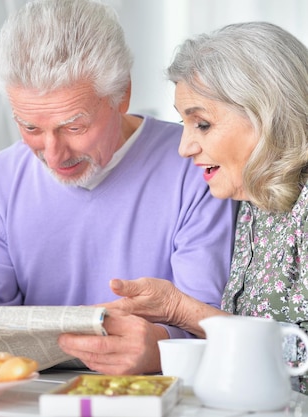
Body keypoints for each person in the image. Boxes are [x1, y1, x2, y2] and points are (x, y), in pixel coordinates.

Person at [0, 0, 237, 375]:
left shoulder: (197, 165)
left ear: (122, 96)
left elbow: (210, 327)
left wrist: (158, 350)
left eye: (74, 127)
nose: (53, 154)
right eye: (31, 128)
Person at [103, 21, 308, 392]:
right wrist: (174, 308)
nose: (185, 148)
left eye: (202, 123)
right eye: (185, 123)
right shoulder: (255, 200)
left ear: (267, 114)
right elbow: (263, 349)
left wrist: (180, 309)